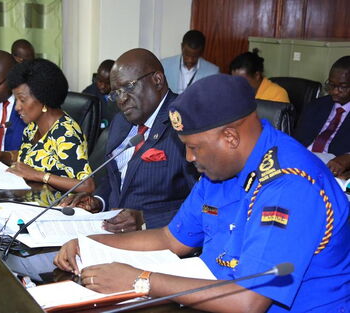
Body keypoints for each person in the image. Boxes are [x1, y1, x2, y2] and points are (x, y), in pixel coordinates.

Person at [54, 74, 350, 313]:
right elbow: (170, 239)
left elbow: (249, 301)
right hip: (209, 297)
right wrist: (91, 243)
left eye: (194, 147)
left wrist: (140, 280)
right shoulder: (219, 168)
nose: (189, 158)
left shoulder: (290, 185)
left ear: (230, 137)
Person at [62, 48, 197, 231]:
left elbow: (203, 203)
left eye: (129, 87)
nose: (122, 99)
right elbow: (116, 177)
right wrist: (98, 201)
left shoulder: (186, 121)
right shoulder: (121, 121)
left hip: (157, 239)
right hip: (109, 229)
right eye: (116, 93)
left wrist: (145, 219)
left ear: (157, 80)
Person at [0, 58, 94, 193]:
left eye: (22, 100)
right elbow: (30, 156)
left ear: (43, 98)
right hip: (29, 199)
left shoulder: (66, 132)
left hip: (56, 208)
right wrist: (1, 155)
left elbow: (87, 185)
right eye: (16, 100)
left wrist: (38, 175)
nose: (17, 107)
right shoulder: (32, 127)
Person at [294, 56, 350, 177]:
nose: (335, 91)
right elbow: (297, 141)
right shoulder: (316, 105)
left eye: (342, 86)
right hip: (301, 165)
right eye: (331, 85)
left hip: (332, 172)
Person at [161, 30, 219, 94]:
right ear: (182, 47)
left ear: (202, 52)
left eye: (195, 56)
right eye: (187, 55)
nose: (190, 60)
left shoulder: (213, 72)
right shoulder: (164, 65)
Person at [82, 59, 119, 129]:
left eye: (107, 83)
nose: (102, 86)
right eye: (100, 81)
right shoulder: (88, 93)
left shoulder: (122, 96)